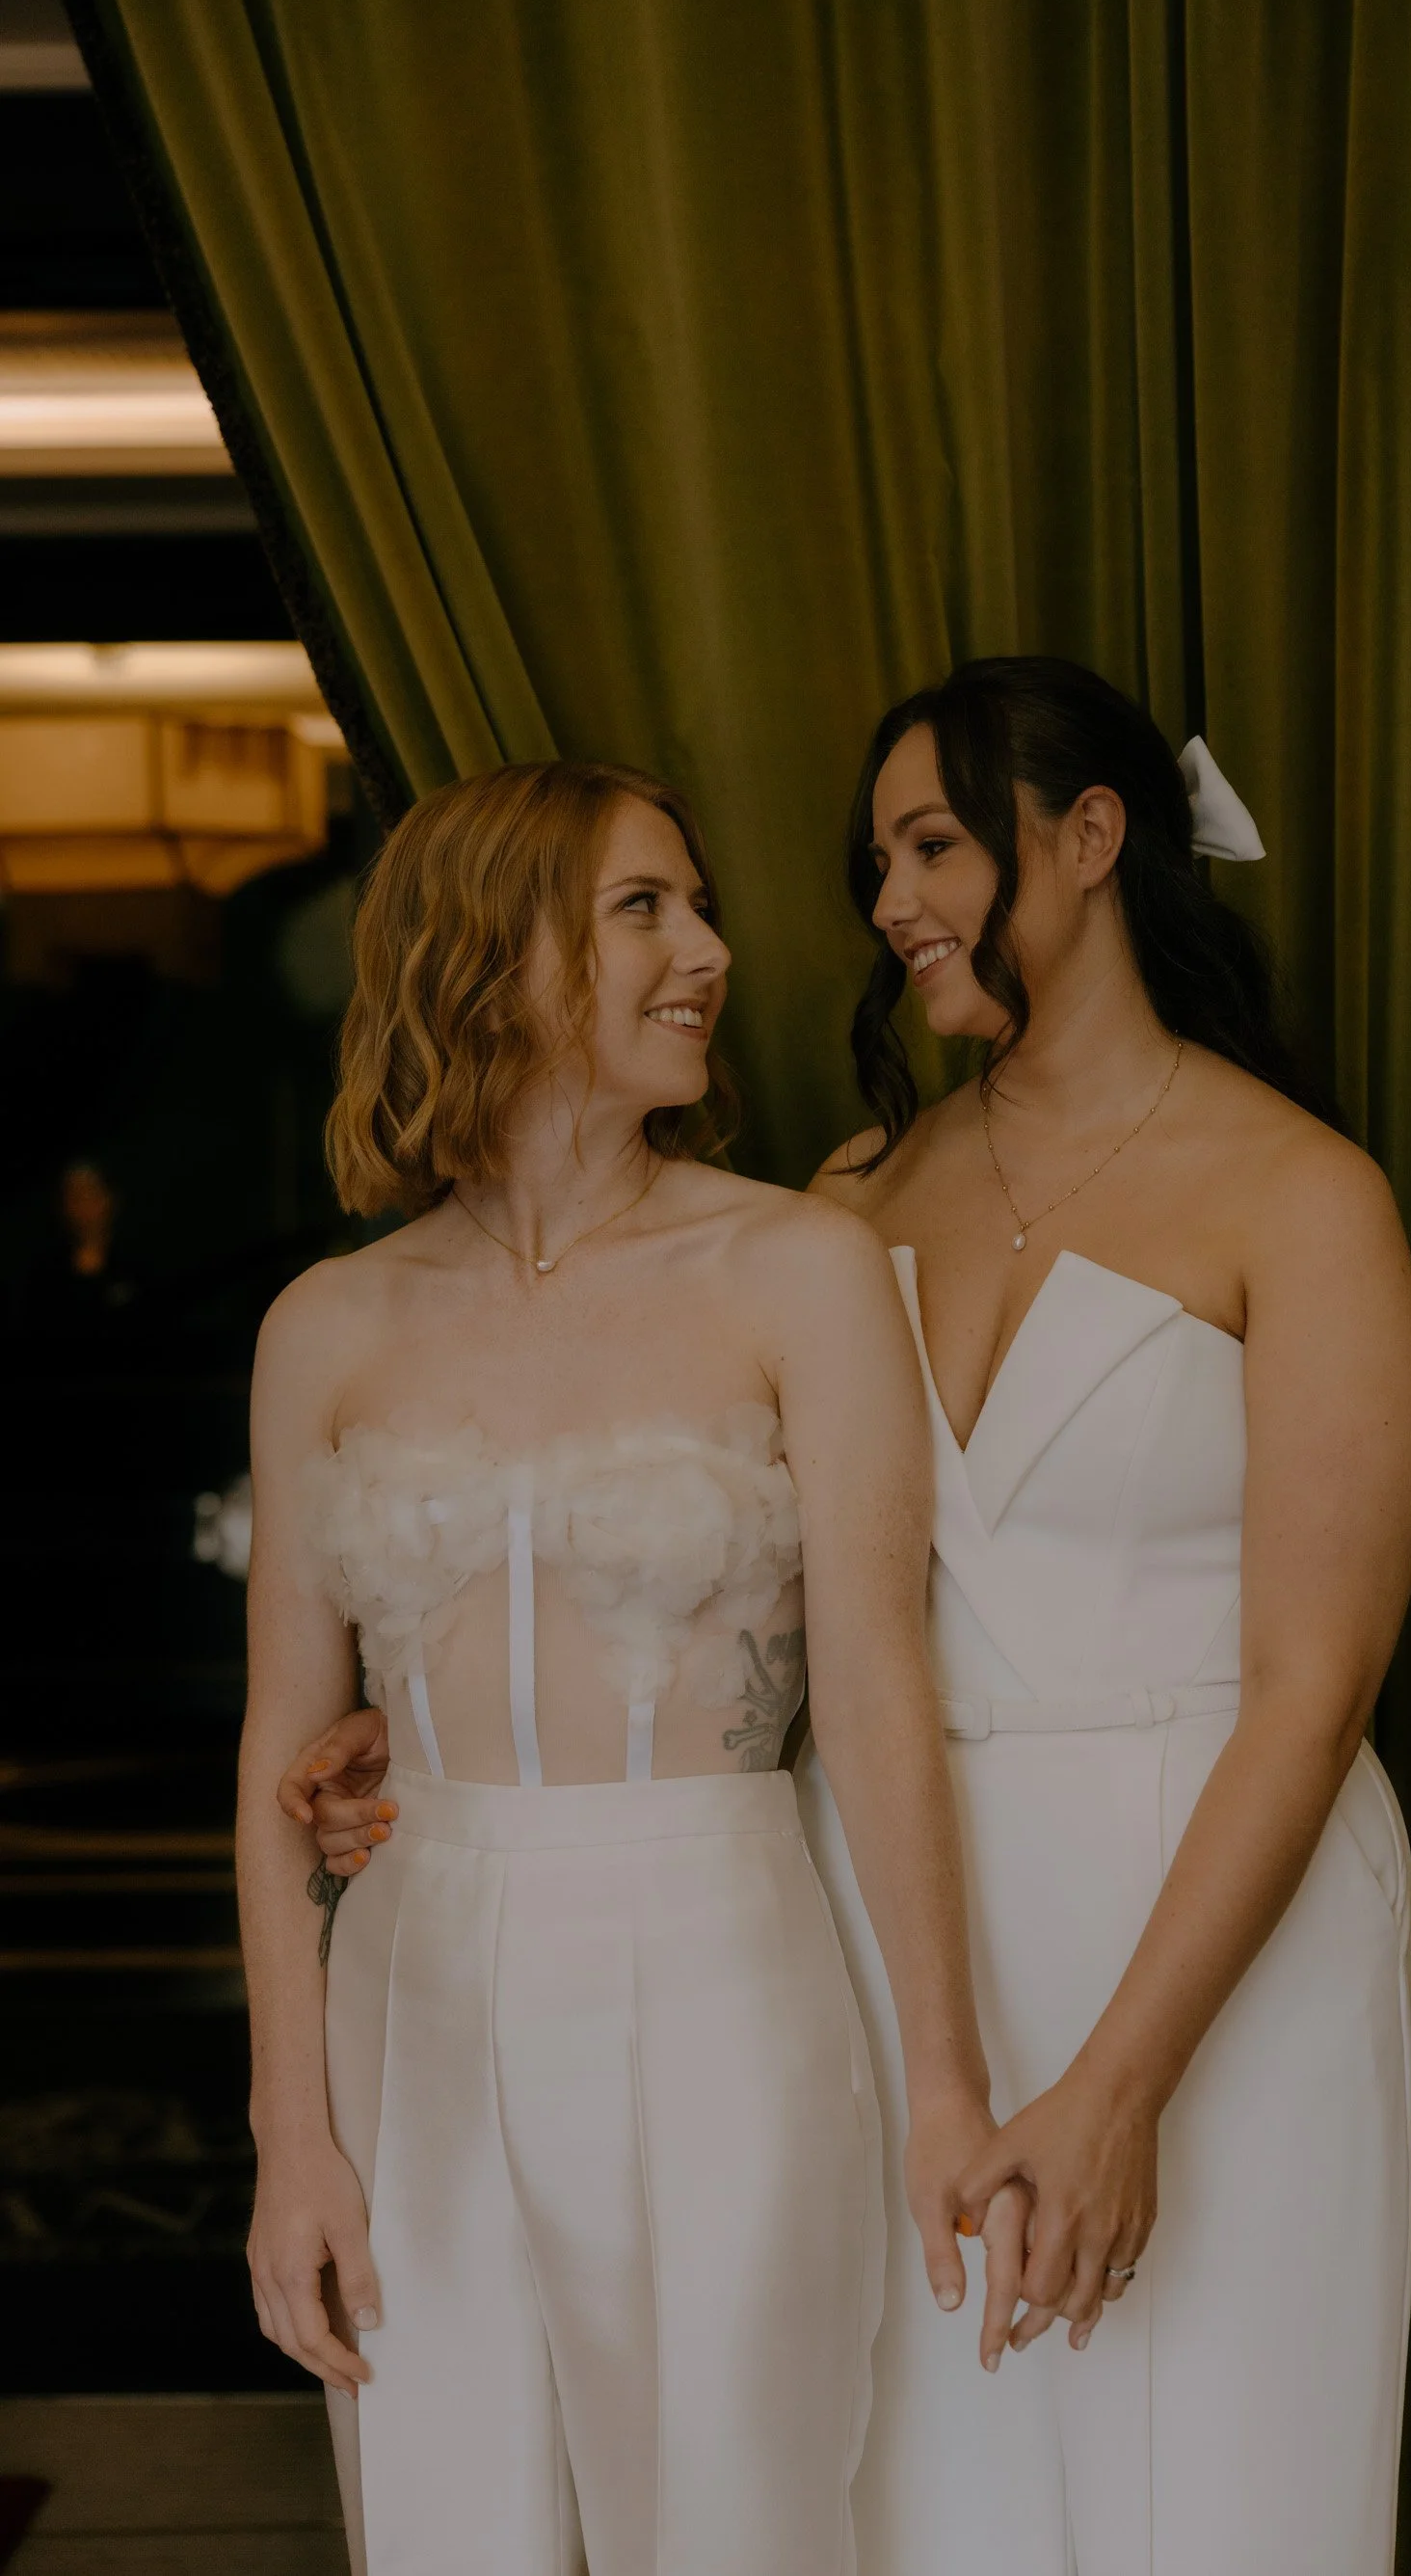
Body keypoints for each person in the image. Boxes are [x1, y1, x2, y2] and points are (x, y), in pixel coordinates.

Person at [293, 658, 1411, 2575]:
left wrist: (1121, 2086)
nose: (888, 903)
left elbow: (1315, 1689)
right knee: (917, 2512)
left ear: (1090, 839)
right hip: (886, 1932)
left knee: (1226, 2491)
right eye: (879, 863)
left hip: (1206, 1910)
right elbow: (725, 1562)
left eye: (930, 848)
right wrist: (407, 1726)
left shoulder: (1303, 1198)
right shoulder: (844, 1202)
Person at [240, 758, 1018, 2576]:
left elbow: (879, 1696)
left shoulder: (798, 1268)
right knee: (442, 2525)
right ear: (494, 950)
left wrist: (945, 2084)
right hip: (410, 1995)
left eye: (700, 905)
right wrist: (293, 2141)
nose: (711, 954)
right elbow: (282, 1751)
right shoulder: (324, 1327)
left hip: (722, 1971)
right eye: (643, 909)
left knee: (740, 2515)